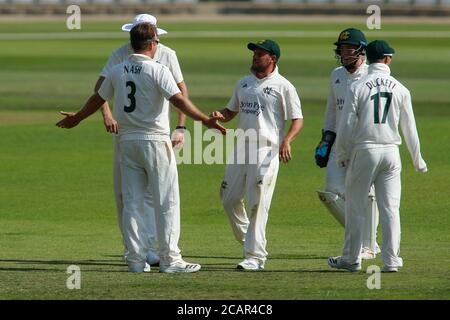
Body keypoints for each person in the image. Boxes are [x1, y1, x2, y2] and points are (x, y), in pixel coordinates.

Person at [57, 23, 226, 273]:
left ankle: (136, 261)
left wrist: (78, 118)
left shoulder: (117, 69)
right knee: (167, 201)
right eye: (156, 42)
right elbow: (178, 99)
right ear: (151, 44)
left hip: (127, 142)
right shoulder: (158, 69)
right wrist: (204, 120)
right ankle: (170, 260)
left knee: (133, 202)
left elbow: (98, 97)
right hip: (155, 140)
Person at [328, 40, 428, 272]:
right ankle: (391, 261)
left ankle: (351, 259)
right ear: (387, 58)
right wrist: (417, 159)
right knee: (390, 209)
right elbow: (409, 127)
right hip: (391, 153)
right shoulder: (401, 88)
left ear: (368, 58)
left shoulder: (358, 85)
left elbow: (347, 124)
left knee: (355, 206)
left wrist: (342, 153)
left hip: (365, 150)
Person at [99, 14, 188, 266]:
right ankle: (142, 253)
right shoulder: (120, 55)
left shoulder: (167, 55)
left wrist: (180, 127)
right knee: (131, 197)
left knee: (147, 196)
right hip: (132, 135)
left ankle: (145, 255)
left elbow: (181, 92)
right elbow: (101, 90)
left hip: (152, 133)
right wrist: (106, 115)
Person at [211, 40, 303, 270]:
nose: (255, 57)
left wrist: (287, 141)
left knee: (258, 202)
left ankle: (255, 256)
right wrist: (219, 116)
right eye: (254, 53)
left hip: (266, 150)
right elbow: (231, 110)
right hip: (241, 148)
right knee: (228, 198)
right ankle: (249, 239)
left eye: (260, 54)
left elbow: (297, 119)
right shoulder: (243, 83)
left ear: (272, 58)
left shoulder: (284, 86)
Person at [314, 28, 380, 259]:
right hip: (340, 144)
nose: (345, 53)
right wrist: (326, 139)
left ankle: (368, 246)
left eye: (350, 48)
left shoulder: (372, 76)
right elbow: (332, 109)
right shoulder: (336, 75)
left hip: (364, 143)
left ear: (361, 50)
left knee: (367, 195)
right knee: (331, 192)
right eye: (342, 49)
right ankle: (362, 236)